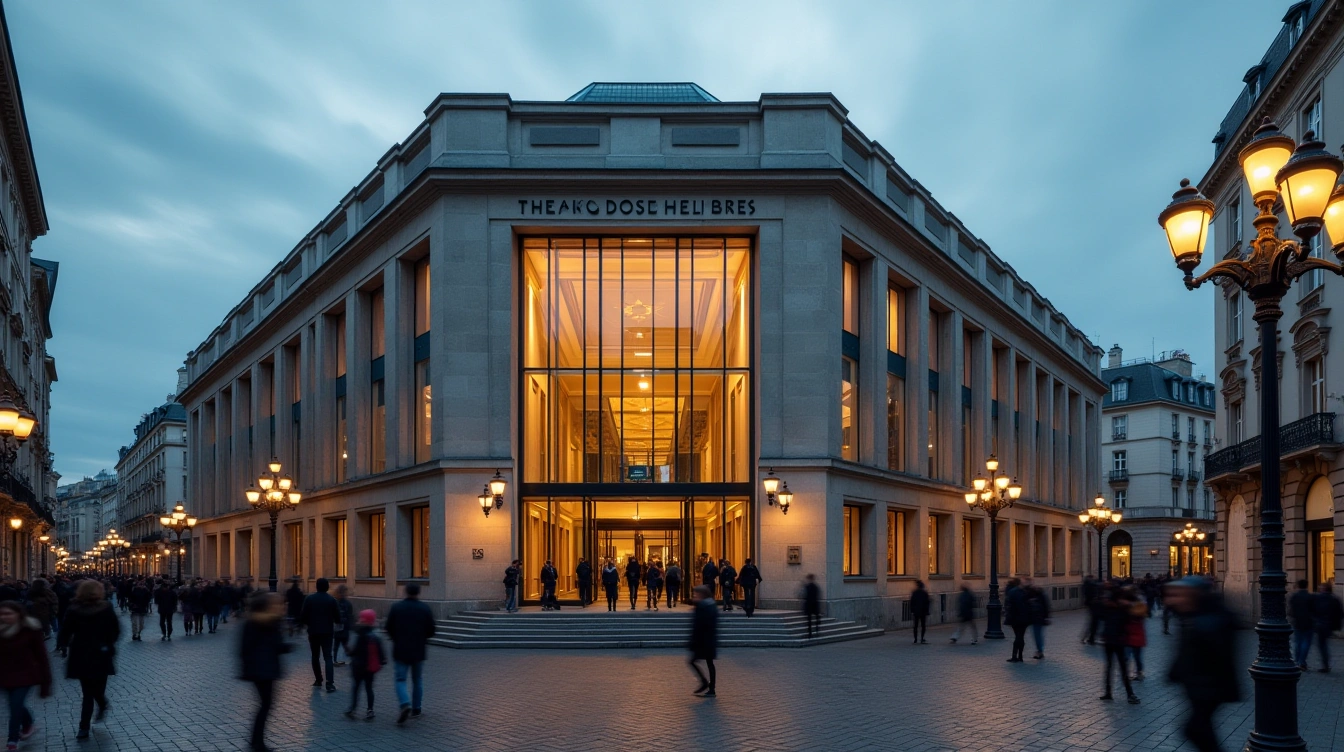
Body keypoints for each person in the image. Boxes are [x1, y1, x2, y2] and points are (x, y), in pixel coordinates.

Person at [1165, 576, 1239, 752]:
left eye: (1180, 595)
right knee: (1200, 730)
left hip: (1208, 687)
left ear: (1194, 595)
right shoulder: (1195, 615)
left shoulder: (1209, 620)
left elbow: (1212, 654)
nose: (1174, 599)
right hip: (1201, 686)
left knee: (1195, 729)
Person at [57, 580, 121, 739]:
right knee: (96, 689)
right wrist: (109, 643)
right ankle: (100, 706)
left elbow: (65, 630)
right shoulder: (106, 608)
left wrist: (64, 645)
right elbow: (115, 629)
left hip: (81, 651)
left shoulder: (73, 609)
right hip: (101, 651)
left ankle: (83, 727)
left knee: (87, 692)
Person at [239, 591, 290, 752]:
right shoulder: (272, 623)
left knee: (264, 705)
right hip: (266, 671)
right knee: (266, 705)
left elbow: (244, 649)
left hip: (257, 670)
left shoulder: (251, 622)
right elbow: (277, 646)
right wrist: (289, 647)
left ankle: (256, 741)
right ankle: (257, 742)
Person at [0, 600, 51, 750]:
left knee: (15, 704)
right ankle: (28, 724)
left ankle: (12, 739)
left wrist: (45, 684)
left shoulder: (30, 629)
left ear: (18, 614)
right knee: (14, 704)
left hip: (25, 675)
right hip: (4, 674)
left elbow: (42, 657)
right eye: (1, 614)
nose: (4, 617)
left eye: (8, 613)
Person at [384, 583, 436, 724]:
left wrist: (396, 638)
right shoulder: (424, 608)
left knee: (400, 679)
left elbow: (388, 628)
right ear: (419, 592)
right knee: (417, 680)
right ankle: (417, 708)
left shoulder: (397, 607)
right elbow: (431, 630)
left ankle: (405, 703)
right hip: (418, 650)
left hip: (400, 649)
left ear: (406, 591)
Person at [298, 578, 341, 692]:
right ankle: (330, 684)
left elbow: (303, 616)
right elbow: (338, 618)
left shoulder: (309, 599)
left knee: (315, 656)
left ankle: (318, 680)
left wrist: (309, 624)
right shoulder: (332, 600)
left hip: (313, 632)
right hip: (327, 632)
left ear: (316, 587)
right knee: (328, 657)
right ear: (327, 587)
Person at [343, 610, 385, 721]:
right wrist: (381, 661)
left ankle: (352, 708)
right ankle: (370, 710)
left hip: (358, 667)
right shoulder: (375, 636)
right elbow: (381, 654)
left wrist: (348, 651)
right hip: (370, 668)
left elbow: (355, 651)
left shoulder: (360, 634)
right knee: (369, 689)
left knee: (356, 688)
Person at [1099, 587, 1139, 704]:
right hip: (1115, 641)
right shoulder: (1120, 609)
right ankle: (1126, 694)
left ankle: (1116, 693)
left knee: (1115, 668)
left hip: (1114, 640)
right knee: (1118, 668)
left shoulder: (1118, 609)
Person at [687, 585, 718, 697]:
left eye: (696, 595)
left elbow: (698, 625)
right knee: (709, 663)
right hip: (708, 640)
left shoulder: (703, 607)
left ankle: (705, 683)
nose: (694, 597)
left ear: (702, 595)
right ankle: (710, 687)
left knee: (693, 661)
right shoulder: (710, 605)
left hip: (704, 640)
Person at [1313, 582, 1343, 673]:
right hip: (1329, 625)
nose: (1320, 588)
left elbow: (1314, 611)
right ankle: (1326, 664)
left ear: (1324, 589)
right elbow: (1340, 613)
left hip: (1321, 625)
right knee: (1324, 644)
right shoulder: (1334, 599)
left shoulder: (1318, 598)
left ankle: (1325, 665)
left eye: (1321, 587)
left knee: (1322, 645)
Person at [1290, 579, 1315, 671]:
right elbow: (1314, 610)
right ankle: (1302, 661)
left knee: (1298, 642)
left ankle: (1298, 661)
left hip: (1297, 622)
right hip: (1308, 622)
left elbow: (1291, 611)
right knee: (1306, 642)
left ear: (1298, 586)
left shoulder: (1294, 596)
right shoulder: (1310, 597)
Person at [1003, 578, 1029, 663]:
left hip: (1015, 618)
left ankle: (1014, 656)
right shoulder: (1025, 592)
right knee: (1020, 636)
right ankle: (1020, 656)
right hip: (1024, 618)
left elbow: (1009, 605)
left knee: (1018, 636)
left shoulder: (1012, 592)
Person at [1127, 587, 1149, 681]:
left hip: (1132, 635)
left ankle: (1138, 672)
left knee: (1131, 656)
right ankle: (1138, 672)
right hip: (1133, 635)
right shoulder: (1139, 607)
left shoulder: (1136, 607)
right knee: (1135, 656)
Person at [1026, 579, 1051, 659]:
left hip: (1038, 618)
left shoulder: (1039, 595)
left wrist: (1046, 617)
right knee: (1037, 635)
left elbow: (1045, 606)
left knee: (1037, 635)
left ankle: (1040, 651)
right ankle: (1039, 650)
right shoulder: (1033, 594)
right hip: (1036, 618)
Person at [333, 585, 354, 667]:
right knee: (344, 644)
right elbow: (350, 615)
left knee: (337, 644)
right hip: (344, 626)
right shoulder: (347, 603)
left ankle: (335, 659)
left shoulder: (335, 602)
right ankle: (349, 658)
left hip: (338, 626)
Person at [1081, 575, 1101, 644]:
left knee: (1092, 622)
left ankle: (1088, 638)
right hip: (1093, 605)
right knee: (1092, 623)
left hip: (1091, 605)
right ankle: (1089, 638)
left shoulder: (1086, 584)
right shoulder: (1091, 585)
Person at [909, 580, 930, 644]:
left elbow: (912, 602)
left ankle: (915, 639)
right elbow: (927, 603)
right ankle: (922, 638)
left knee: (915, 625)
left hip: (916, 612)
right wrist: (927, 611)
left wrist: (912, 610)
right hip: (923, 612)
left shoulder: (915, 593)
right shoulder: (924, 593)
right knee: (923, 626)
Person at [802, 574, 821, 639]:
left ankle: (811, 633)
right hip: (813, 605)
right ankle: (815, 631)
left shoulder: (808, 586)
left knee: (810, 620)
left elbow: (805, 596)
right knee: (813, 620)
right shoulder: (815, 586)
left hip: (810, 606)